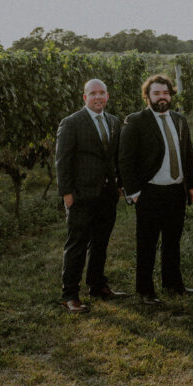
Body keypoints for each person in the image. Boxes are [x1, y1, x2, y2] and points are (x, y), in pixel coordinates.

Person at [119, 74, 193, 305]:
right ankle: (145, 290)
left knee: (172, 241)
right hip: (149, 192)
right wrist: (133, 193)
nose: (162, 97)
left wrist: (191, 185)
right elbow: (125, 159)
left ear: (170, 95)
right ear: (147, 96)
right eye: (157, 93)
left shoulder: (180, 120)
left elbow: (187, 155)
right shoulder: (136, 121)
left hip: (176, 191)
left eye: (165, 93)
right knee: (147, 243)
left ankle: (173, 284)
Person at [55, 78, 124, 313]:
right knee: (77, 244)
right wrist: (67, 194)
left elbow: (115, 159)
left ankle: (97, 285)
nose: (98, 97)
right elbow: (62, 161)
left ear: (107, 96)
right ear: (85, 98)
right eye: (92, 93)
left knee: (101, 243)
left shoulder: (114, 122)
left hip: (106, 195)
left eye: (102, 93)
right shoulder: (72, 123)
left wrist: (119, 187)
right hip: (81, 196)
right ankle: (69, 295)